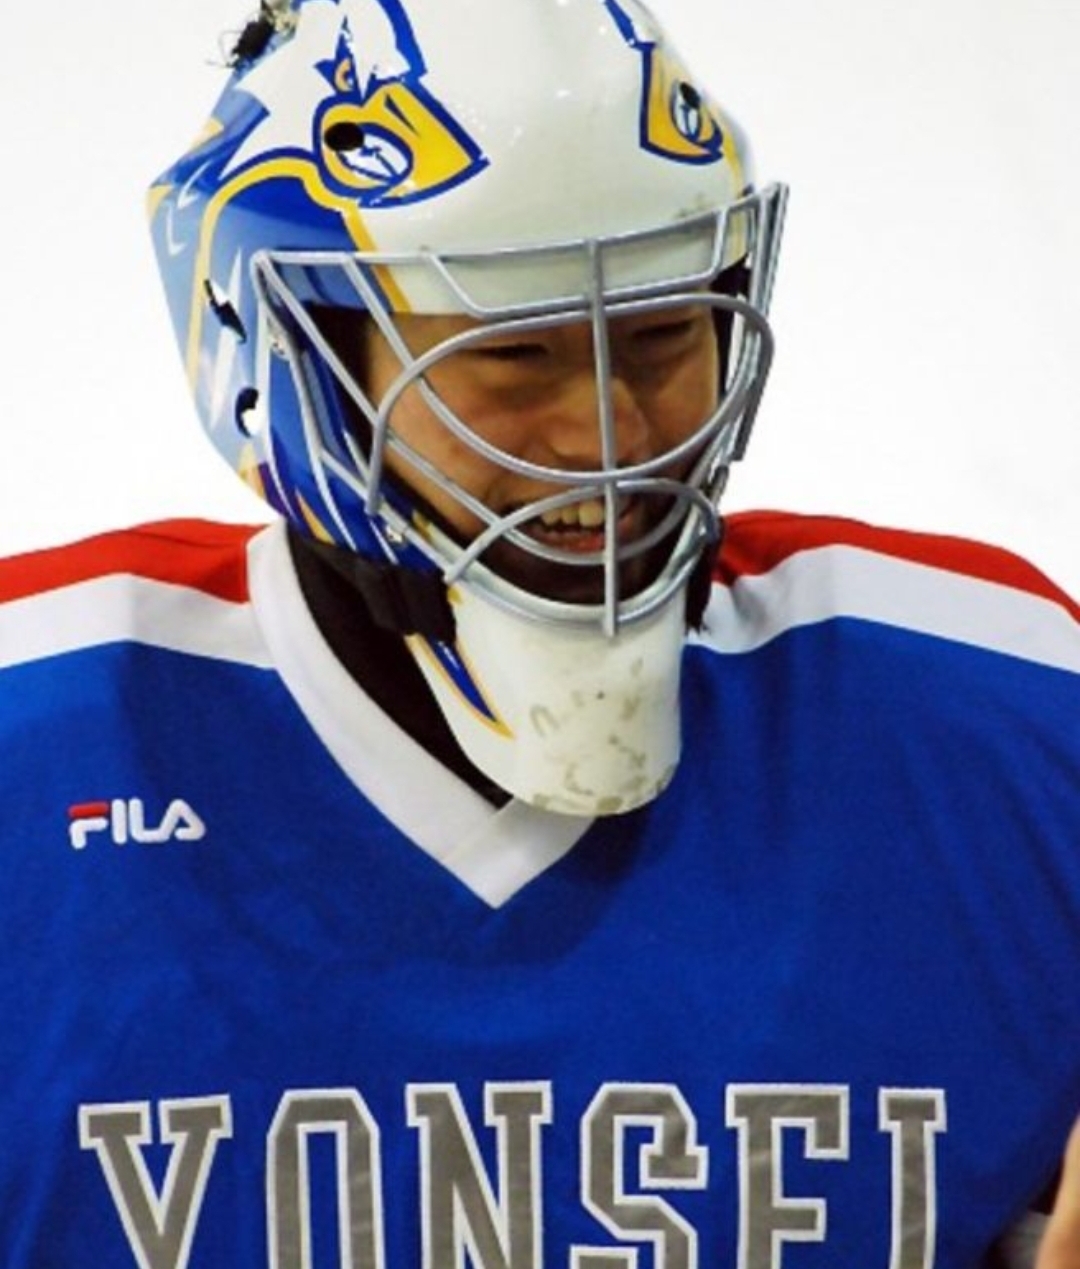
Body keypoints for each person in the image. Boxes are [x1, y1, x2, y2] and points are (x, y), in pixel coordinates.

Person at [1, 0, 1077, 1265]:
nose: (607, 435)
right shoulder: (42, 739)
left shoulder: (1010, 722)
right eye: (514, 351)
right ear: (290, 366)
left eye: (663, 332)